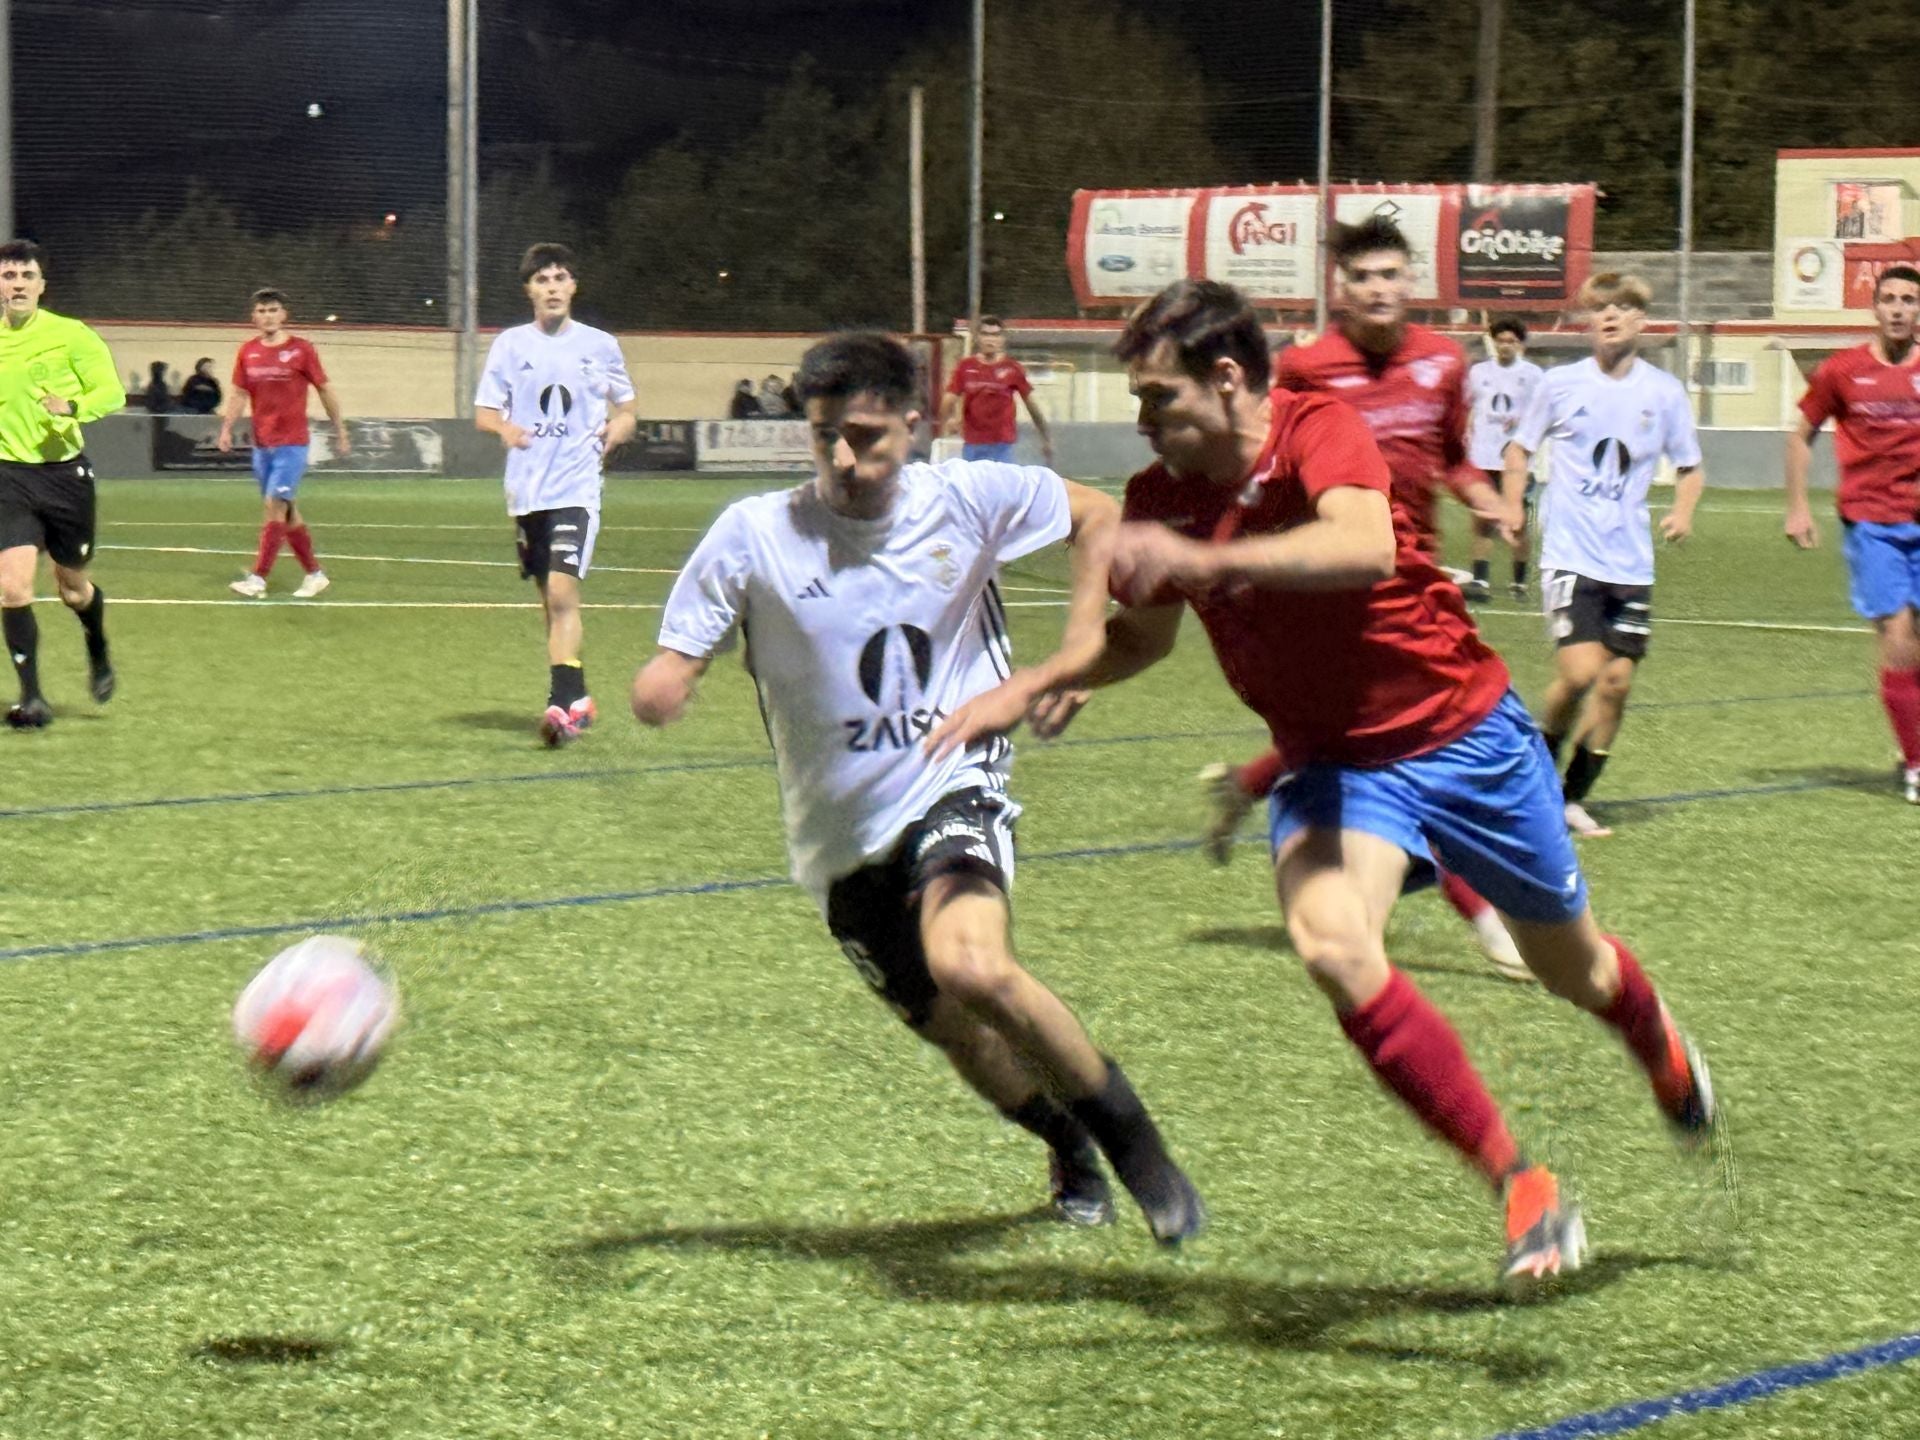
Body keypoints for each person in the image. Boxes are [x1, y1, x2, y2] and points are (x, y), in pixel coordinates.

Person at [977, 278, 1716, 1280]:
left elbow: (1363, 545)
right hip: (1333, 766)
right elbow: (1143, 638)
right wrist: (1056, 677)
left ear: (1228, 377)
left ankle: (1654, 1034)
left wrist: (1201, 555)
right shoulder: (1162, 496)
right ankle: (1522, 1187)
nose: (1143, 422)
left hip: (1464, 737)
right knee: (1331, 944)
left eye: (1159, 397)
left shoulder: (1319, 429)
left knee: (1570, 970)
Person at [630, 330, 1205, 1245]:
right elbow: (675, 657)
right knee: (958, 1034)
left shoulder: (971, 498)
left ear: (918, 422)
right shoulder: (753, 533)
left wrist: (1074, 651)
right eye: (824, 437)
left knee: (972, 964)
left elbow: (1100, 515)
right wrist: (667, 683)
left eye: (867, 437)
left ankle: (1140, 1151)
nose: (844, 459)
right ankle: (1066, 1141)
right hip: (837, 840)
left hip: (954, 779)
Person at [1197, 217, 1526, 983]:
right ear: (1338, 290)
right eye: (1363, 278)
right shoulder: (1304, 370)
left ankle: (1252, 788)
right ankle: (1486, 917)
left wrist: (1487, 501)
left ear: (1412, 282)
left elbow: (1452, 459)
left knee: (1370, 737)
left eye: (1391, 275)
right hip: (1344, 588)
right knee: (1419, 745)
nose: (1379, 290)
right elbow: (1261, 455)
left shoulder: (1444, 363)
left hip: (1421, 586)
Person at [1501, 273, 1704, 839]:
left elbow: (1691, 467)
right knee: (1580, 672)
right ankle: (1534, 774)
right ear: (1590, 321)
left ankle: (1569, 799)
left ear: (1642, 321)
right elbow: (1518, 449)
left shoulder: (1663, 393)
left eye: (1623, 308)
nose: (1610, 316)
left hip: (1630, 561)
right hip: (1570, 552)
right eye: (1601, 309)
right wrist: (1514, 504)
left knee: (1616, 684)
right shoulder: (1559, 384)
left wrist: (1682, 512)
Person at [475, 243, 638, 747]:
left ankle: (560, 702)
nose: (552, 287)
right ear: (530, 290)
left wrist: (619, 429)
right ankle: (579, 696)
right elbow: (484, 412)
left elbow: (629, 410)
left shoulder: (600, 345)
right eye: (542, 280)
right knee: (550, 598)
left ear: (573, 287)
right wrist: (504, 430)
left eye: (560, 278)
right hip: (526, 492)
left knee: (564, 591)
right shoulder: (510, 345)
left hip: (577, 486)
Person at [1784, 263, 1920, 804]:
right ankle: (1916, 766)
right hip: (1873, 524)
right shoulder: (1843, 371)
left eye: (1909, 300)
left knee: (1915, 645)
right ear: (1875, 307)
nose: (1898, 309)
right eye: (1889, 298)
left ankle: (1911, 744)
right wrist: (1798, 508)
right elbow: (1800, 436)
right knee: (1898, 638)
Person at [0, 239, 123, 729]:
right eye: (9, 276)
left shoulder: (72, 336)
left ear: (42, 285)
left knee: (73, 589)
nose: (18, 284)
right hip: (7, 474)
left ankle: (96, 640)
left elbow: (110, 392)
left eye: (27, 276)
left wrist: (72, 408)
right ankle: (31, 698)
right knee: (12, 587)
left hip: (65, 477)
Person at [218, 288, 350, 600]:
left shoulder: (302, 350)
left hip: (292, 443)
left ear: (284, 314)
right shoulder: (247, 352)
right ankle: (315, 575)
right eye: (262, 311)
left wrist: (340, 429)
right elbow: (238, 393)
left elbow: (325, 389)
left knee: (274, 507)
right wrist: (226, 428)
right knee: (288, 512)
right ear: (254, 317)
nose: (267, 316)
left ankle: (258, 578)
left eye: (273, 310)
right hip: (262, 445)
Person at [1466, 318, 1545, 600]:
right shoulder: (1478, 373)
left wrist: (1523, 425)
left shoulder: (1534, 375)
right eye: (1500, 341)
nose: (1505, 346)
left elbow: (1542, 413)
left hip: (1517, 462)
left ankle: (1519, 582)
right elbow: (1468, 406)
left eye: (1511, 341)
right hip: (1484, 457)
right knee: (1482, 519)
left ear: (1520, 345)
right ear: (1494, 342)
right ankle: (1480, 580)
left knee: (1518, 522)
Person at [940, 315, 1054, 467]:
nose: (990, 340)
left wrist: (1045, 438)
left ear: (1002, 339)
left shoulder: (1012, 368)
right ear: (977, 338)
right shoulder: (966, 366)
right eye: (985, 334)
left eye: (995, 335)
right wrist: (949, 419)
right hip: (973, 445)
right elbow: (949, 399)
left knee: (1002, 489)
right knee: (974, 489)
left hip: (1002, 446)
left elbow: (1032, 406)